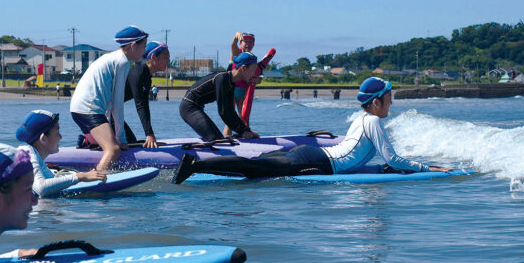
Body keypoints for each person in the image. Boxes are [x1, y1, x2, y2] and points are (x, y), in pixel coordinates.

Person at [172, 77, 451, 183]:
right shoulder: (374, 121)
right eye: (389, 98)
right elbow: (392, 159)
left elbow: (369, 155)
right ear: (376, 102)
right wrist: (429, 169)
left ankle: (197, 166)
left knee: (255, 165)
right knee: (253, 169)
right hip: (317, 163)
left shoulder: (361, 118)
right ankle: (195, 166)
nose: (392, 103)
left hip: (313, 153)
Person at [69, 26, 148, 172]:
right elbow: (117, 104)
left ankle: (88, 142)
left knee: (105, 146)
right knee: (114, 150)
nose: (145, 50)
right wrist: (121, 138)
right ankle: (95, 180)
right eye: (144, 46)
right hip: (89, 110)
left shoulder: (112, 58)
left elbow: (109, 101)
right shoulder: (122, 62)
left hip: (77, 108)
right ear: (133, 45)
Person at [15, 110, 106, 197]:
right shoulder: (25, 153)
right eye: (57, 132)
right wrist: (81, 176)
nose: (61, 137)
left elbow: (52, 180)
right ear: (43, 139)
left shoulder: (36, 157)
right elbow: (41, 188)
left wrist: (85, 175)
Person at [179, 52, 261, 142]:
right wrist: (242, 131)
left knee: (219, 138)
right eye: (253, 70)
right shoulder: (223, 79)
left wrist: (245, 130)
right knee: (216, 139)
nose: (254, 75)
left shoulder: (230, 82)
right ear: (244, 68)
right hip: (188, 108)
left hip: (196, 107)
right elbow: (224, 112)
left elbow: (230, 111)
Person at [122, 41, 169, 148]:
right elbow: (140, 105)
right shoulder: (139, 72)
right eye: (165, 58)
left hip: (111, 112)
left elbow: (145, 106)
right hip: (101, 111)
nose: (168, 61)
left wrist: (150, 134)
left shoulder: (146, 76)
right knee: (130, 144)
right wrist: (149, 134)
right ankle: (89, 141)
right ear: (154, 57)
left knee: (132, 142)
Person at [223, 31, 255, 136]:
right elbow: (232, 45)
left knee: (244, 115)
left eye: (250, 42)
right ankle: (227, 136)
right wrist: (235, 36)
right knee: (230, 116)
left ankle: (245, 134)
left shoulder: (252, 59)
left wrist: (257, 80)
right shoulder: (236, 53)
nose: (248, 44)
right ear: (240, 43)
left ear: (253, 45)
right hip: (231, 89)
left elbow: (254, 77)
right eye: (245, 41)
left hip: (243, 90)